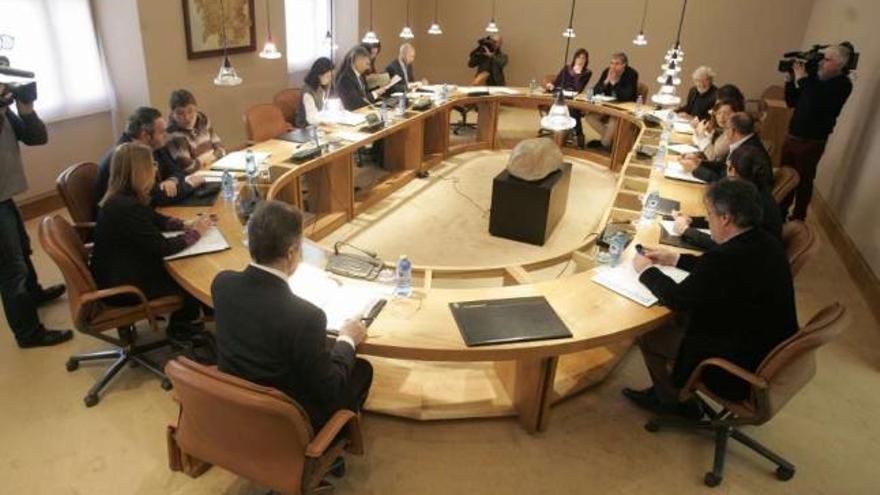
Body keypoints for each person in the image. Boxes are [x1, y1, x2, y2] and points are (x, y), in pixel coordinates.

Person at [623, 178, 798, 416]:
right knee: (679, 319)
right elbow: (716, 272)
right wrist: (674, 258)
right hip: (766, 349)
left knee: (651, 334)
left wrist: (646, 270)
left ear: (725, 217)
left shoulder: (725, 258)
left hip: (736, 368)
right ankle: (670, 394)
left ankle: (671, 401)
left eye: (709, 214)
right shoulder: (765, 242)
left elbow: (677, 298)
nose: (708, 220)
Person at [213, 200, 373, 430]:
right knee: (361, 369)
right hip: (286, 419)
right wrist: (347, 339)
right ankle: (334, 441)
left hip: (237, 401)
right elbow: (330, 388)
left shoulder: (222, 284)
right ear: (291, 252)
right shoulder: (307, 317)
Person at [90, 143, 212, 339]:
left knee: (189, 264)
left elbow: (154, 219)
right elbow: (163, 247)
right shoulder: (126, 207)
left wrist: (185, 224)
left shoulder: (122, 196)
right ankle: (181, 328)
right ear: (139, 171)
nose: (156, 168)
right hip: (126, 285)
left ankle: (203, 315)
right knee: (190, 276)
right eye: (152, 164)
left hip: (120, 269)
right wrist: (195, 234)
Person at [0, 83, 71, 348]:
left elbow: (36, 137)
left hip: (5, 195)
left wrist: (26, 109)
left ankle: (34, 294)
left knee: (22, 249)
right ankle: (29, 334)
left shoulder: (6, 112)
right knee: (11, 269)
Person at [780, 43, 853, 220]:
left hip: (812, 141)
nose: (820, 63)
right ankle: (780, 212)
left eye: (826, 60)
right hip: (793, 135)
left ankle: (798, 218)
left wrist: (802, 79)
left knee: (803, 180)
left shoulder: (842, 84)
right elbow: (792, 102)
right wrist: (790, 81)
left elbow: (816, 102)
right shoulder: (813, 78)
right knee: (785, 176)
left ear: (840, 64)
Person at [673, 145, 783, 251]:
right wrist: (692, 220)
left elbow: (728, 246)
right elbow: (724, 221)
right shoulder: (751, 191)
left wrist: (686, 231)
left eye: (727, 167)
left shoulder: (750, 203)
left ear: (732, 171)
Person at [95, 107, 204, 206]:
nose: (166, 136)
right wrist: (190, 185)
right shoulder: (126, 157)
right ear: (145, 136)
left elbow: (178, 171)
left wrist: (172, 180)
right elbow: (155, 197)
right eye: (161, 132)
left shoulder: (156, 146)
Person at [682, 112, 769, 183]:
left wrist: (696, 170)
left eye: (726, 129)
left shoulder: (746, 154)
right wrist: (700, 163)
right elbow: (724, 169)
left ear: (732, 131)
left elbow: (727, 184)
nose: (725, 133)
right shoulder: (747, 143)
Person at [585, 52, 639, 150]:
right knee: (590, 117)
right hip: (608, 106)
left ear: (624, 65)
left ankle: (605, 144)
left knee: (614, 119)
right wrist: (606, 81)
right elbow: (595, 91)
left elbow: (626, 96)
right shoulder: (607, 71)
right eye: (612, 63)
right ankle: (610, 141)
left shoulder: (631, 74)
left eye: (617, 64)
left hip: (624, 109)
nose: (613, 66)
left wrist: (614, 82)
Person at [166, 89, 226, 175]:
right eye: (180, 113)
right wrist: (212, 156)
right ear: (172, 114)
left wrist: (203, 159)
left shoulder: (202, 120)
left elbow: (220, 148)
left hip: (214, 168)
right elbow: (189, 168)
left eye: (190, 111)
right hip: (196, 178)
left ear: (196, 109)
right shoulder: (173, 135)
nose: (186, 117)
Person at [545, 48, 592, 148]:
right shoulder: (566, 68)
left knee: (572, 110)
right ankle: (569, 136)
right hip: (561, 96)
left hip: (573, 98)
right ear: (575, 58)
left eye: (583, 58)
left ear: (586, 60)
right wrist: (551, 85)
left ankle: (574, 136)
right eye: (579, 57)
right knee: (565, 108)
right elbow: (557, 82)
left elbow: (579, 88)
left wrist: (578, 73)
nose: (581, 60)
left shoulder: (587, 73)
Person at [336, 45, 389, 110]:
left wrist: (377, 94)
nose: (368, 68)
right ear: (357, 61)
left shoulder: (361, 76)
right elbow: (355, 103)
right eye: (367, 64)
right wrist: (374, 94)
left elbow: (365, 95)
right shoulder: (346, 79)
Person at [298, 57, 335, 128]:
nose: (330, 79)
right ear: (319, 75)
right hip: (307, 127)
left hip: (320, 124)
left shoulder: (322, 87)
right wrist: (326, 121)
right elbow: (311, 118)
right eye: (328, 76)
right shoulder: (308, 92)